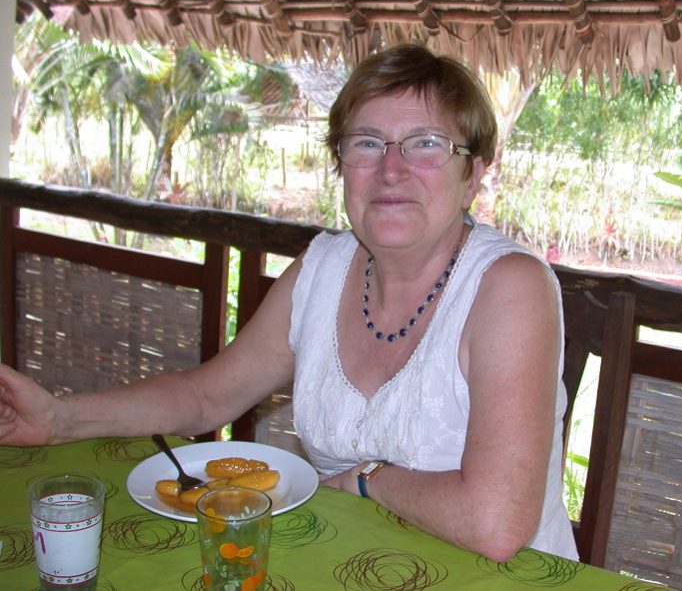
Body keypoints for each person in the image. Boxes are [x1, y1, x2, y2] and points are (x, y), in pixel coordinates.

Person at [0, 44, 578, 562]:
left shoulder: (508, 287)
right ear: (342, 166)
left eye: (426, 144)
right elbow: (206, 397)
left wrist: (367, 478)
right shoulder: (321, 271)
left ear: (473, 173)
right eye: (367, 143)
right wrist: (58, 418)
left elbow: (496, 523)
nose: (391, 169)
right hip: (349, 562)